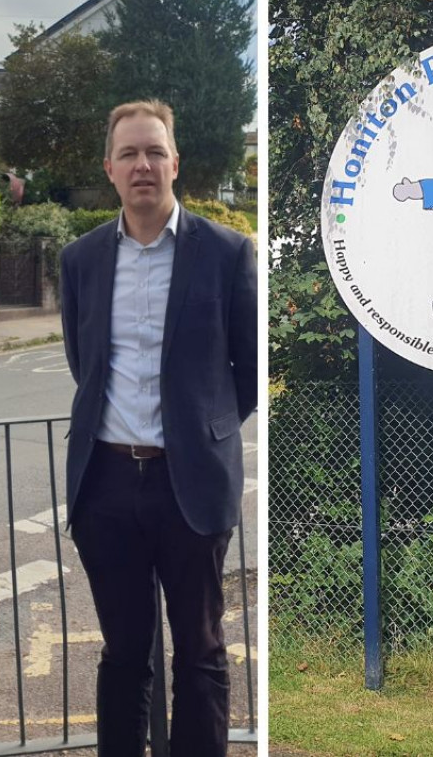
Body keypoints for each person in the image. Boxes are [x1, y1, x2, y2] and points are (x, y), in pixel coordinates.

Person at [60, 100, 257, 756]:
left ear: (175, 163)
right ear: (110, 169)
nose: (142, 165)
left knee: (200, 649)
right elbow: (82, 362)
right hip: (108, 483)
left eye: (153, 152)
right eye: (129, 154)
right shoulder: (81, 259)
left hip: (190, 484)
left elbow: (248, 373)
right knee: (122, 652)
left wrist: (203, 433)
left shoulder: (227, 253)